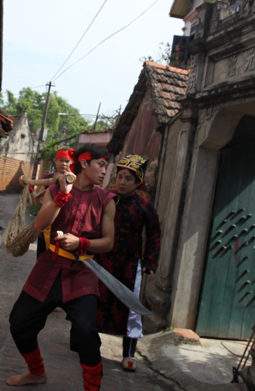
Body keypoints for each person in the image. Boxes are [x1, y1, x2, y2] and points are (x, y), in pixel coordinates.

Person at [7, 144, 115, 391]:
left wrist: (81, 242)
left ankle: (92, 388)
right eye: (101, 165)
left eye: (107, 167)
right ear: (85, 163)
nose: (104, 172)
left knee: (86, 331)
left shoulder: (106, 200)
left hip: (82, 272)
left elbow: (108, 243)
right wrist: (62, 196)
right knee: (19, 323)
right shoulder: (55, 188)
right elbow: (39, 225)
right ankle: (36, 372)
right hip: (49, 268)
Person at [95, 154, 161, 371]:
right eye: (120, 177)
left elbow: (154, 235)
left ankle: (129, 354)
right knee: (94, 300)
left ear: (137, 182)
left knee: (130, 307)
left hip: (130, 265)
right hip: (101, 259)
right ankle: (87, 342)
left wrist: (150, 262)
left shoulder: (144, 206)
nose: (122, 182)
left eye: (128, 179)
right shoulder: (105, 198)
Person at [19, 149, 74, 258]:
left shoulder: (75, 181)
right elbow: (38, 202)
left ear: (72, 163)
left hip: (66, 231)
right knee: (42, 261)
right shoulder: (48, 178)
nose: (64, 163)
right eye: (61, 160)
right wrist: (28, 187)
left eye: (67, 161)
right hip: (46, 230)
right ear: (55, 161)